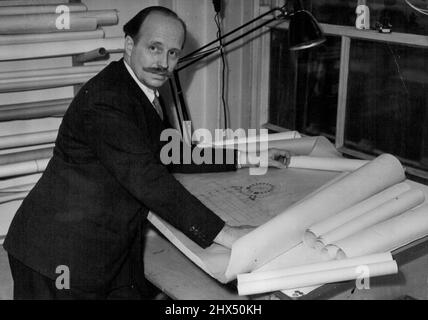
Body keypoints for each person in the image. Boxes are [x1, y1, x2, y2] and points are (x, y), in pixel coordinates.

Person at [4, 6, 290, 300]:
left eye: (173, 53)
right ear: (130, 45)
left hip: (111, 245)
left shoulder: (142, 91)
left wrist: (248, 158)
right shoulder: (106, 101)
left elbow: (171, 151)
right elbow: (148, 179)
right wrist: (227, 233)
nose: (163, 63)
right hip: (58, 256)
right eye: (155, 48)